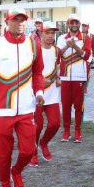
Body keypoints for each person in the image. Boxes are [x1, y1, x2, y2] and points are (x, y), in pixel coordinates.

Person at [0, 7, 44, 187]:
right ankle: (5, 186)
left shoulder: (33, 44)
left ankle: (16, 171)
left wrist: (39, 92)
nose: (19, 23)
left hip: (26, 107)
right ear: (7, 22)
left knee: (28, 149)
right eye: (15, 20)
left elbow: (38, 72)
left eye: (22, 20)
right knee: (3, 153)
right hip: (2, 109)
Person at [30, 21, 60, 167]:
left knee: (55, 123)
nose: (50, 36)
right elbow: (28, 71)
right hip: (38, 93)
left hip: (53, 93)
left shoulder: (56, 50)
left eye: (52, 33)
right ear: (41, 33)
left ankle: (44, 143)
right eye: (47, 33)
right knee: (37, 125)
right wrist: (40, 82)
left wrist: (57, 77)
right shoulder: (34, 50)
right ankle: (33, 151)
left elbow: (57, 67)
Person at [57, 14, 90, 142]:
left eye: (77, 23)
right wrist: (67, 45)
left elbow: (87, 56)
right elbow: (58, 55)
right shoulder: (61, 38)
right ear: (68, 24)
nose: (74, 25)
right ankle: (66, 131)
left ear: (79, 24)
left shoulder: (86, 37)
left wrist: (75, 46)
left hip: (79, 77)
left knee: (78, 105)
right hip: (65, 77)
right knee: (65, 105)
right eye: (72, 23)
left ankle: (77, 131)